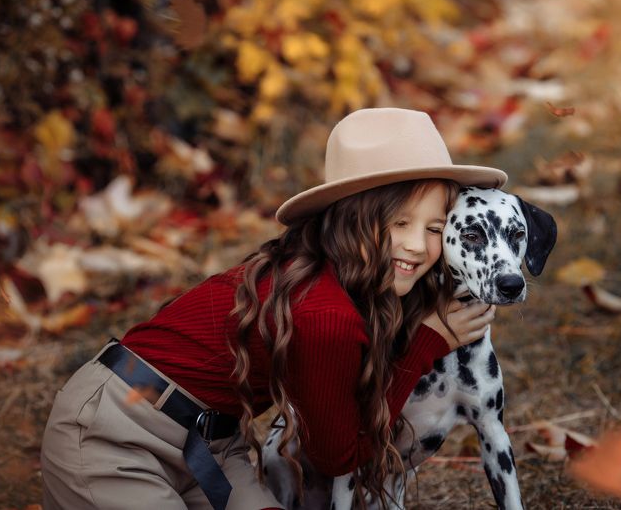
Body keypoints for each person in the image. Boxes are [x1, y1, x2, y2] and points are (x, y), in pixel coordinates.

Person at [40, 107, 507, 510]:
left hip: (211, 442)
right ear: (348, 220)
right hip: (114, 430)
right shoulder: (325, 313)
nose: (415, 245)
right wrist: (429, 343)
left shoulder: (352, 285)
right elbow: (338, 456)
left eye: (434, 227)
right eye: (397, 222)